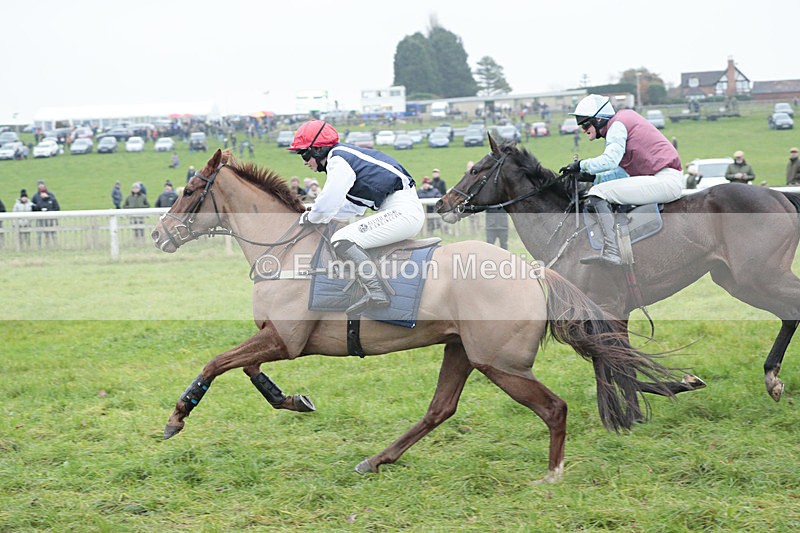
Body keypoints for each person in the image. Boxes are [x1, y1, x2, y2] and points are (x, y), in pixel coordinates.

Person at [288, 120, 424, 314]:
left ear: (317, 150)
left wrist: (312, 217)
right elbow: (350, 207)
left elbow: (328, 202)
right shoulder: (345, 158)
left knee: (341, 238)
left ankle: (377, 292)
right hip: (399, 209)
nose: (304, 161)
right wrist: (313, 213)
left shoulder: (338, 159)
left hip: (402, 211)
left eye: (304, 153)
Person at [560, 94, 683, 266]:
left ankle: (612, 251)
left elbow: (610, 160)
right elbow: (623, 172)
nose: (583, 130)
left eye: (586, 124)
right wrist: (593, 176)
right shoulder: (623, 121)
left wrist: (581, 165)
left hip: (665, 180)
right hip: (663, 178)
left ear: (600, 119)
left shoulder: (617, 125)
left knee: (598, 193)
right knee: (600, 187)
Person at [30, 179, 60, 248]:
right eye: (39, 184)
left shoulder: (51, 195)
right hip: (40, 219)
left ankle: (54, 245)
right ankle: (39, 246)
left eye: (42, 184)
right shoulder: (35, 196)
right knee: (39, 233)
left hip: (50, 219)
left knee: (52, 232)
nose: (41, 186)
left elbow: (56, 206)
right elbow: (33, 208)